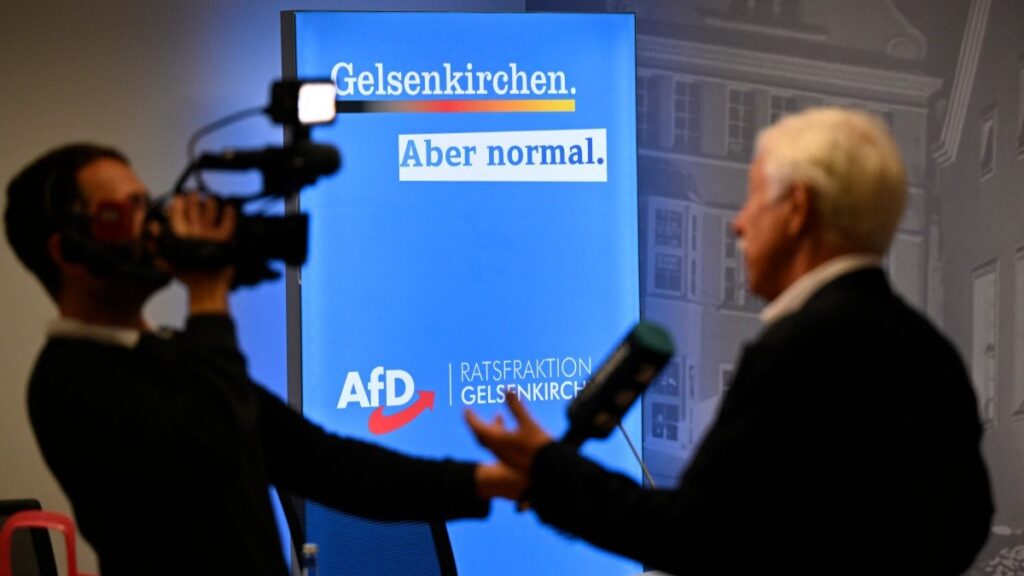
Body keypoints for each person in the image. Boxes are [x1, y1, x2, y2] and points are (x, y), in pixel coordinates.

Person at [466, 107, 994, 576]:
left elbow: (695, 538)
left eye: (753, 199)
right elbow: (971, 519)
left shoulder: (800, 350)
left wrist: (548, 470)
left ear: (797, 209)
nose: (739, 225)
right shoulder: (932, 353)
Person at [5, 143, 517, 576]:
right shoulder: (66, 382)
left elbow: (325, 463)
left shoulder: (173, 353)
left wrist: (484, 481)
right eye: (127, 213)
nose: (153, 226)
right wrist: (208, 296)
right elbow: (216, 449)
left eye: (148, 204)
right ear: (67, 251)